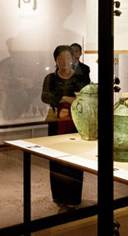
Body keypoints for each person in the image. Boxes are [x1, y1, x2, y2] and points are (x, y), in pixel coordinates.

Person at [41, 45, 89, 210]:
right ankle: (59, 196)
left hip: (76, 123)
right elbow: (45, 96)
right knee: (56, 159)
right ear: (56, 60)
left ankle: (74, 197)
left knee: (75, 159)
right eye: (60, 58)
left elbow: (87, 96)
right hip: (56, 121)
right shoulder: (50, 78)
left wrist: (73, 100)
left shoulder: (80, 79)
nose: (64, 61)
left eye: (67, 58)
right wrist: (63, 98)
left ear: (73, 59)